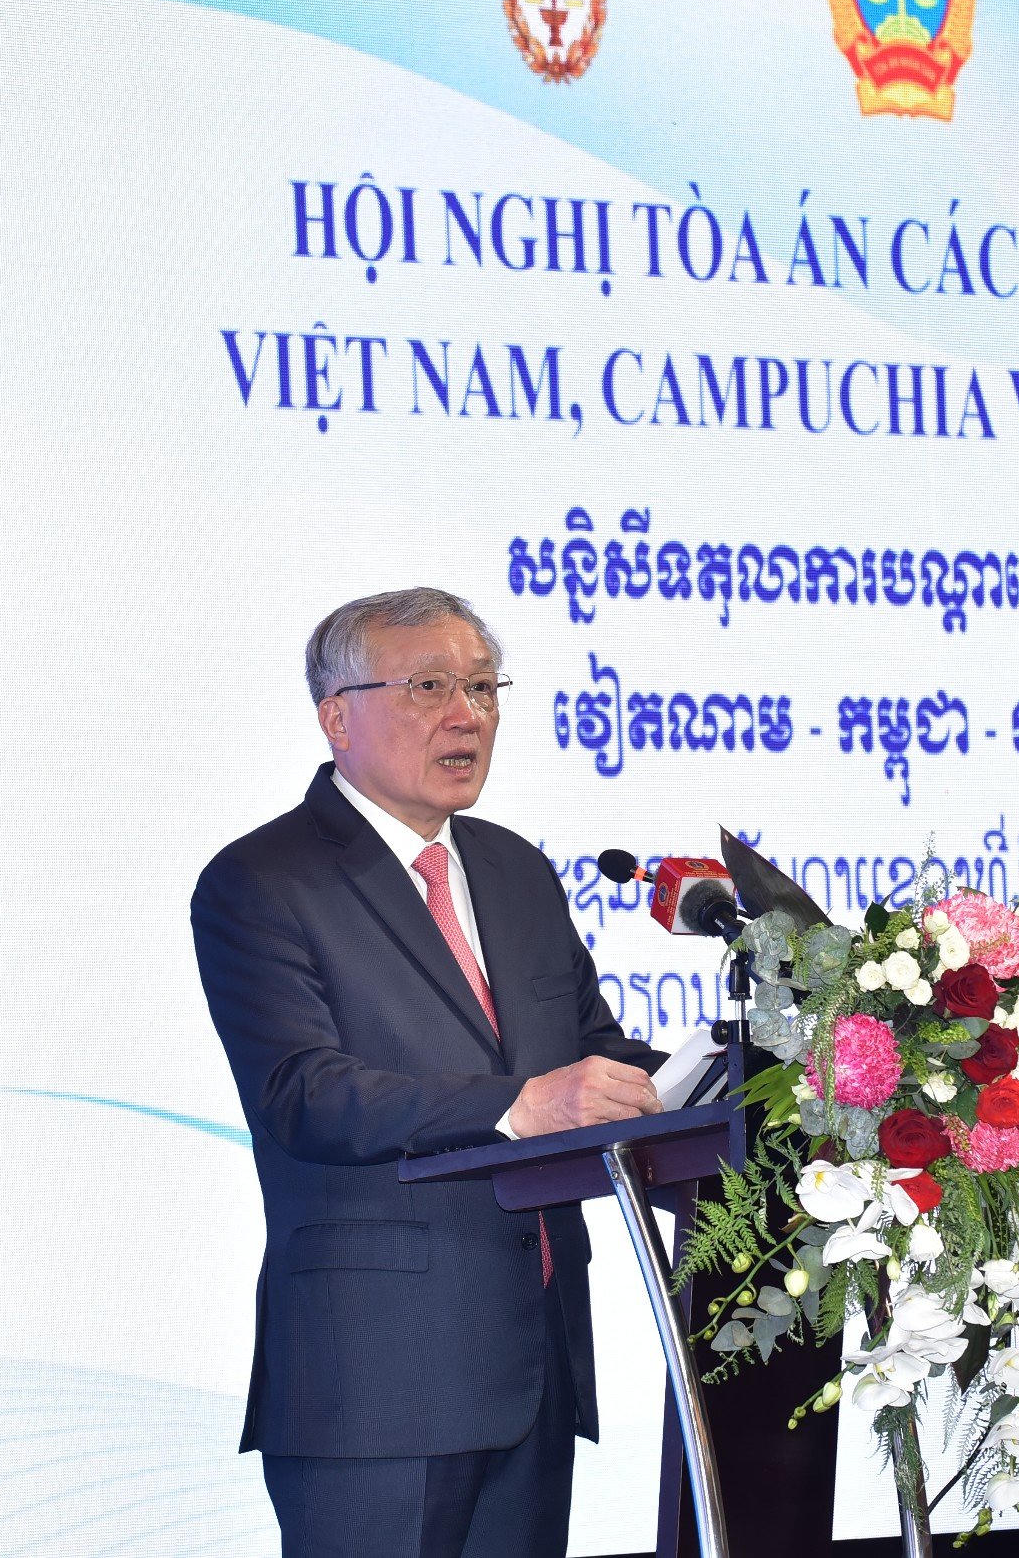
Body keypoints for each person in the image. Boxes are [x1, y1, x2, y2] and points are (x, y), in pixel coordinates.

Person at [193, 587, 665, 1558]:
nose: (467, 714)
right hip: (377, 1377)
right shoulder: (262, 879)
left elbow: (592, 1051)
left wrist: (738, 1077)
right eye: (430, 687)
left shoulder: (515, 871)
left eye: (484, 687)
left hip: (534, 1361)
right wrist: (517, 1104)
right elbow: (302, 1092)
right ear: (337, 716)